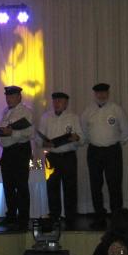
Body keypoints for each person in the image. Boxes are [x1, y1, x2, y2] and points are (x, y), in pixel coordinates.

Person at [81, 83, 128, 224]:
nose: (101, 95)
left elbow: (126, 131)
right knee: (95, 185)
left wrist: (114, 142)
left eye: (104, 92)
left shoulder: (116, 109)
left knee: (114, 185)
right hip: (94, 151)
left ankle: (117, 218)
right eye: (99, 93)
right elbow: (83, 131)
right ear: (95, 94)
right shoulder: (88, 111)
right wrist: (93, 140)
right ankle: (99, 217)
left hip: (112, 152)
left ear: (108, 94)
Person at [38, 92, 83, 226]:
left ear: (66, 103)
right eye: (55, 101)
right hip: (51, 157)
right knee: (52, 187)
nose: (57, 103)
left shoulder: (73, 117)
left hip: (68, 156)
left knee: (70, 188)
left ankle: (71, 217)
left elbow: (82, 138)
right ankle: (54, 216)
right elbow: (38, 138)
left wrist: (77, 138)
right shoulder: (46, 117)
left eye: (60, 101)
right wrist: (44, 143)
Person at [0, 85, 34, 229]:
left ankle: (23, 218)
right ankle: (11, 215)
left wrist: (12, 133)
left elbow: (29, 133)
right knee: (8, 186)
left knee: (21, 186)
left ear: (19, 97)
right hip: (7, 152)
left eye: (12, 96)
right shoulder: (5, 112)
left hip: (20, 150)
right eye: (7, 96)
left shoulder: (26, 112)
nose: (8, 98)